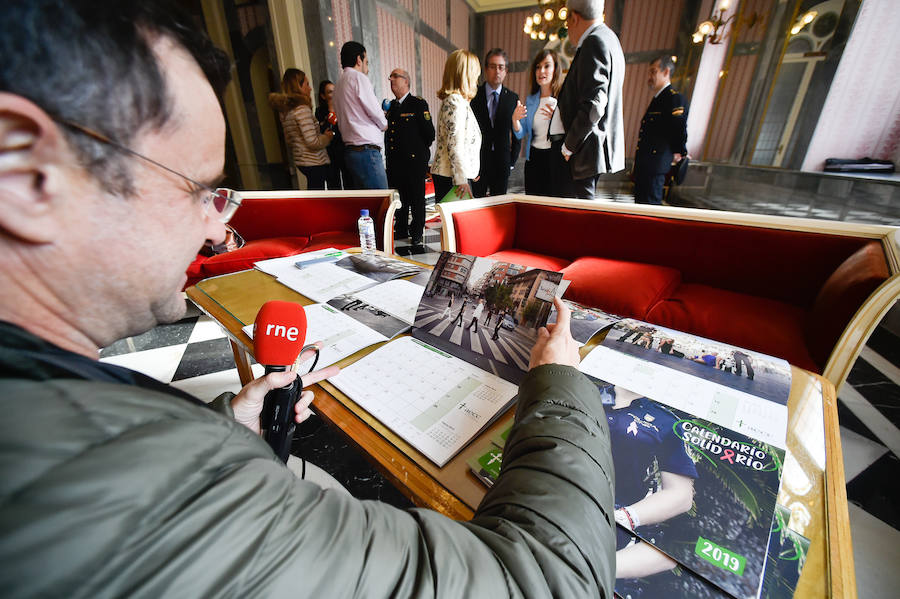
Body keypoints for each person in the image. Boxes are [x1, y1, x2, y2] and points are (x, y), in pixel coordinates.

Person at [1, 2, 617, 596]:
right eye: (199, 190)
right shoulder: (147, 488)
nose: (218, 230)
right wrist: (561, 383)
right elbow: (553, 580)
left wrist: (231, 427)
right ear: (26, 174)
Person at [603, 386, 697, 582]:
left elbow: (681, 495)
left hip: (608, 515)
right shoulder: (587, 390)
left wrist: (624, 517)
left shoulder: (666, 421)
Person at [552, 0, 625, 199]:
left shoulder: (594, 41)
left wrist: (569, 145)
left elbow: (594, 104)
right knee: (580, 213)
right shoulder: (610, 38)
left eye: (567, 24)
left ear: (574, 18)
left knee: (578, 216)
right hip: (594, 149)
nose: (568, 31)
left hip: (584, 150)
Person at [384, 68, 435, 247]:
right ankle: (402, 229)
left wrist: (418, 153)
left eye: (395, 77)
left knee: (416, 198)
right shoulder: (391, 107)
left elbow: (430, 134)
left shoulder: (417, 104)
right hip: (395, 163)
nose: (391, 79)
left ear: (406, 81)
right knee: (401, 199)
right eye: (390, 77)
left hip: (414, 162)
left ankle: (416, 232)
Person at [632, 54, 689, 205]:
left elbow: (679, 128)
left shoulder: (673, 99)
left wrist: (680, 151)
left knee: (649, 208)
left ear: (666, 72)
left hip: (655, 166)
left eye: (653, 71)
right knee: (640, 208)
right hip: (645, 165)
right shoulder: (658, 98)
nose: (650, 76)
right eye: (649, 72)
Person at [333, 41, 389, 189]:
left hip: (351, 152)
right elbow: (374, 111)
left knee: (365, 206)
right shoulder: (358, 78)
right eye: (366, 62)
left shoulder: (338, 85)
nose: (368, 69)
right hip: (367, 151)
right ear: (359, 60)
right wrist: (384, 123)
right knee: (382, 205)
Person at [470, 48, 524, 197]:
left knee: (499, 206)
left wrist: (512, 161)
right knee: (477, 204)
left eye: (501, 67)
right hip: (479, 162)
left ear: (506, 70)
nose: (497, 71)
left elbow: (517, 133)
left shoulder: (512, 98)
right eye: (493, 66)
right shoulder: (474, 95)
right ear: (486, 69)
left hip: (502, 162)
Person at [269, 69, 334, 190]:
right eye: (307, 84)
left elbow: (289, 140)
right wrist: (327, 137)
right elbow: (312, 142)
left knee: (314, 196)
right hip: (314, 161)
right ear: (298, 86)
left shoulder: (286, 111)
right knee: (317, 200)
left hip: (302, 161)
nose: (310, 88)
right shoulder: (302, 110)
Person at [431, 49, 482, 203]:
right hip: (453, 178)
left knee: (456, 225)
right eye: (475, 74)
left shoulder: (458, 101)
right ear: (466, 75)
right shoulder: (455, 102)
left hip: (454, 175)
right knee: (456, 226)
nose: (477, 79)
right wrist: (461, 179)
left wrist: (471, 170)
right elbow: (454, 145)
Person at [518, 49, 562, 197]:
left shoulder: (561, 99)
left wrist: (558, 119)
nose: (541, 71)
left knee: (551, 208)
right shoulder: (531, 100)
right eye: (538, 66)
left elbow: (570, 130)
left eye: (547, 66)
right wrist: (515, 119)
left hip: (554, 159)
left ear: (555, 68)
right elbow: (521, 133)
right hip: (533, 159)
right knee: (532, 206)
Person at [315, 79, 349, 190]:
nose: (334, 94)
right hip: (329, 152)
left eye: (335, 91)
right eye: (330, 92)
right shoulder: (320, 112)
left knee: (350, 182)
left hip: (344, 149)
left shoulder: (343, 108)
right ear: (323, 96)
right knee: (333, 184)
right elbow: (325, 131)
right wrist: (331, 110)